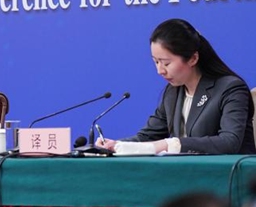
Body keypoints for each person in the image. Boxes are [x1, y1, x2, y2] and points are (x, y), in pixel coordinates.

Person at [98, 18, 255, 155]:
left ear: (193, 58)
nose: (160, 70)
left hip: (228, 180)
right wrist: (116, 145)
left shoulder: (231, 88)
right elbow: (147, 137)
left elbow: (229, 142)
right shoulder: (172, 93)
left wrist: (171, 144)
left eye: (166, 63)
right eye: (156, 62)